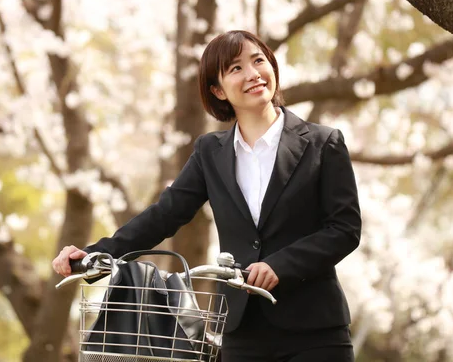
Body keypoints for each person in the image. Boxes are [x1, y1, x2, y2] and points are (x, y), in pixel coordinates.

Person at [52, 30, 361, 362]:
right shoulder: (210, 152)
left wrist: (280, 265)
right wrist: (97, 253)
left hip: (316, 331)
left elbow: (344, 229)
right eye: (236, 68)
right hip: (242, 332)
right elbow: (165, 215)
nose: (253, 74)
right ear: (218, 90)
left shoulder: (323, 143)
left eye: (258, 61)